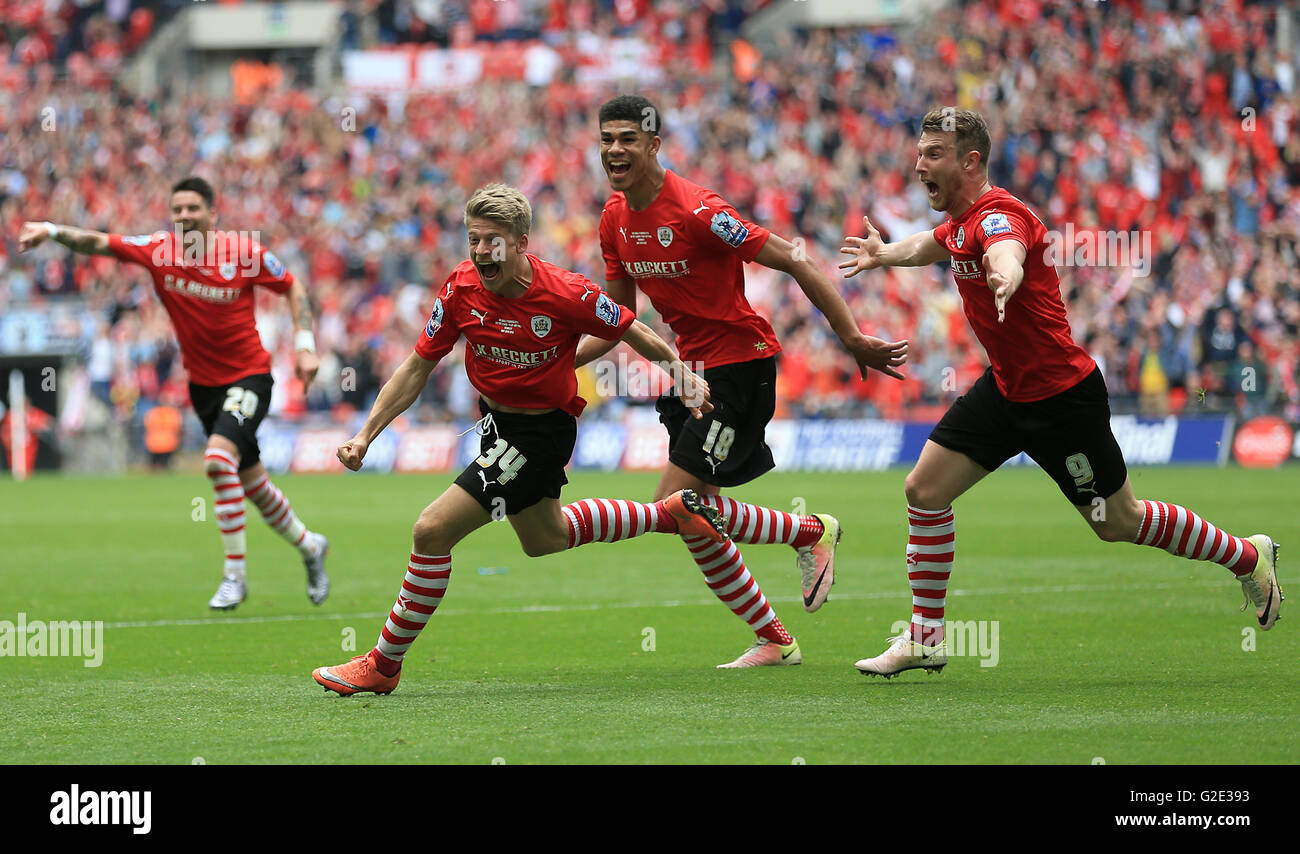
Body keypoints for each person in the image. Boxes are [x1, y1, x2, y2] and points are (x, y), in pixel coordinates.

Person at [839, 108, 1283, 678]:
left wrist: (1007, 273)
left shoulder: (999, 217)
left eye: (932, 154)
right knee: (923, 490)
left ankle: (1248, 555)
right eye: (919, 151)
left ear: (969, 162)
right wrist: (883, 255)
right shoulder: (959, 223)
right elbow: (933, 244)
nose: (918, 163)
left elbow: (1005, 249)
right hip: (1005, 391)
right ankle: (926, 638)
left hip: (1061, 399)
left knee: (1116, 523)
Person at [312, 184, 727, 696]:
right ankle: (669, 514)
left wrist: (682, 378)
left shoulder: (564, 292)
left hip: (539, 434)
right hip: (497, 427)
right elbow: (419, 364)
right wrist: (365, 435)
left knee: (431, 531)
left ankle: (383, 664)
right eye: (474, 240)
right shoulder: (461, 288)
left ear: (522, 242)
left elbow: (630, 328)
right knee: (543, 539)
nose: (482, 251)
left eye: (493, 241)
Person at [575, 94, 909, 668]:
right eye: (607, 140)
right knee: (695, 517)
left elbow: (796, 259)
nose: (614, 150)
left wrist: (851, 336)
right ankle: (776, 637)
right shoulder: (613, 218)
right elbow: (617, 320)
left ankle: (809, 532)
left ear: (654, 146)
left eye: (628, 138)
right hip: (691, 374)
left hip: (740, 366)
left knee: (674, 505)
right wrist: (555, 362)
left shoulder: (700, 210)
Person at [18, 176, 331, 610]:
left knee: (218, 461)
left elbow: (292, 286)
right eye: (177, 209)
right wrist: (51, 231)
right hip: (203, 386)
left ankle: (234, 577)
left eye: (193, 208)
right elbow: (97, 243)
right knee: (253, 485)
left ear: (212, 213)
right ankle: (311, 545)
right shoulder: (157, 251)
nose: (184, 216)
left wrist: (304, 346)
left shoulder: (244, 253)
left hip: (250, 377)